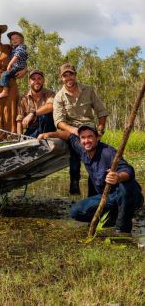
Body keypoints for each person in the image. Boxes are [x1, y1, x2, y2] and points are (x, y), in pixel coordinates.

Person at [38, 123, 143, 234]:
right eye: (83, 137)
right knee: (75, 211)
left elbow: (128, 170)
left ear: (97, 137)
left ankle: (122, 230)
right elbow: (68, 135)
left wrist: (118, 177)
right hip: (107, 198)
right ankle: (112, 217)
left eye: (90, 137)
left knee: (125, 187)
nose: (86, 141)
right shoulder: (82, 148)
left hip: (129, 196)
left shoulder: (108, 152)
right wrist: (48, 134)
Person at [53, 63, 109, 195]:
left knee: (98, 156)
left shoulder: (88, 90)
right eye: (65, 75)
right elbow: (59, 122)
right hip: (72, 129)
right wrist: (74, 131)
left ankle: (92, 189)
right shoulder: (59, 96)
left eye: (70, 74)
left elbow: (102, 112)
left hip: (89, 128)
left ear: (75, 75)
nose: (68, 78)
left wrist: (100, 130)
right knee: (78, 151)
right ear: (61, 78)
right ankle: (75, 183)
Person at [16, 69, 56, 138]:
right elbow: (19, 120)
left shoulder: (50, 94)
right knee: (24, 141)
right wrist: (20, 138)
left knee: (45, 115)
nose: (36, 81)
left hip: (48, 129)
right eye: (33, 79)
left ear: (43, 80)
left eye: (39, 79)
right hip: (32, 131)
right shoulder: (23, 98)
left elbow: (51, 106)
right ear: (29, 82)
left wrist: (33, 113)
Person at [0, 31, 28, 99]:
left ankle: (5, 91)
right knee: (7, 75)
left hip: (17, 67)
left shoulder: (21, 47)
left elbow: (17, 56)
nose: (14, 40)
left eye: (17, 38)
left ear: (21, 40)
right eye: (12, 39)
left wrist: (10, 64)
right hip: (17, 67)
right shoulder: (13, 48)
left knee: (5, 74)